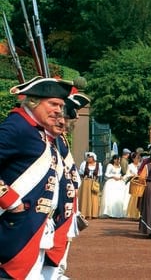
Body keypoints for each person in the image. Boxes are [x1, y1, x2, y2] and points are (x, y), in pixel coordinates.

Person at [0, 76, 74, 279]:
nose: (59, 110)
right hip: (18, 226)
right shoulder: (17, 127)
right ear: (33, 102)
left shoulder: (37, 131)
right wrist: (11, 201)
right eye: (53, 104)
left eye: (60, 105)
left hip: (35, 225)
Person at [43, 90, 89, 280]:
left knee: (58, 257)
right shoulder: (48, 139)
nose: (70, 122)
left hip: (65, 206)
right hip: (48, 209)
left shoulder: (60, 140)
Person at [99, 154, 128, 218]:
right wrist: (113, 176)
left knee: (119, 197)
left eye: (119, 160)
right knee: (110, 197)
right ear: (114, 160)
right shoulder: (110, 165)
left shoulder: (120, 166)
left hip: (119, 183)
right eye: (118, 159)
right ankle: (109, 212)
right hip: (111, 182)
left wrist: (120, 177)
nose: (119, 161)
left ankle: (118, 213)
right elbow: (106, 174)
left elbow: (119, 173)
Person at [76, 152, 101, 219]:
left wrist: (96, 180)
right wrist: (84, 177)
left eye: (90, 157)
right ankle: (85, 213)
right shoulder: (84, 164)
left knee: (94, 198)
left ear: (93, 158)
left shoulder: (98, 165)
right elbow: (81, 173)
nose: (88, 158)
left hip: (94, 182)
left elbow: (99, 175)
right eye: (88, 157)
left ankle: (94, 214)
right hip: (86, 183)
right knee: (85, 198)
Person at [124, 151, 144, 220]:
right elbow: (127, 174)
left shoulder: (141, 165)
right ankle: (133, 214)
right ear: (133, 159)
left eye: (138, 158)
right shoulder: (130, 166)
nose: (137, 160)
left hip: (140, 183)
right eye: (136, 158)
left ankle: (138, 214)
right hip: (133, 183)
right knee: (133, 198)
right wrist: (133, 175)